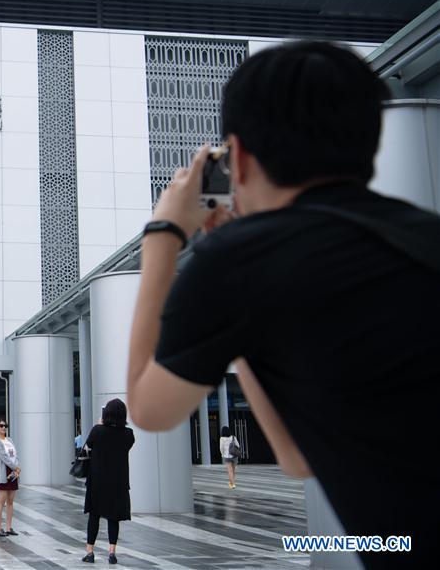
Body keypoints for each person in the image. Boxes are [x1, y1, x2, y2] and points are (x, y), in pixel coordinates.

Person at [125, 41, 440, 570]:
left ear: (240, 157)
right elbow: (296, 455)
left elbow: (149, 408)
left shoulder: (241, 259)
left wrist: (164, 233)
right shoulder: (423, 234)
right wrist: (239, 325)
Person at [81, 398, 134, 565]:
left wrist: (100, 424)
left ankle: (90, 552)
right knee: (114, 518)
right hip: (118, 483)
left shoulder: (98, 431)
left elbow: (87, 446)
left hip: (97, 482)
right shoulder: (128, 434)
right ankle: (112, 552)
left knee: (94, 516)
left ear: (106, 414)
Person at [0, 419, 20, 537]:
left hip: (13, 472)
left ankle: (8, 527)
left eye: (5, 426)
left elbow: (15, 455)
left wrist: (17, 467)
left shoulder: (10, 440)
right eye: (1, 426)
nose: (3, 428)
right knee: (1, 501)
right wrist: (15, 467)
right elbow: (3, 457)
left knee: (11, 501)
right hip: (4, 472)